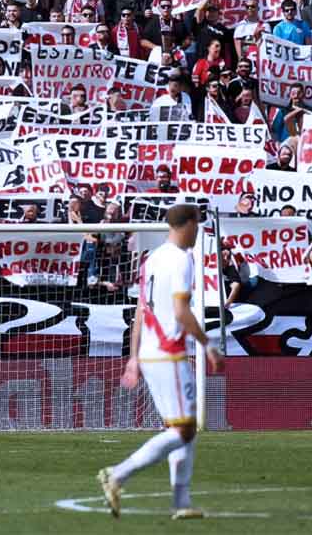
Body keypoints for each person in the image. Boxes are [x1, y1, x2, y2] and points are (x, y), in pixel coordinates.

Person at [97, 204, 223, 519]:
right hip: (170, 353)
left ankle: (181, 503)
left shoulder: (152, 259)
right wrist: (208, 345)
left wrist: (134, 357)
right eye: (197, 224)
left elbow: (142, 309)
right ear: (188, 224)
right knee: (183, 430)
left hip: (152, 352)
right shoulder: (182, 260)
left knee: (182, 427)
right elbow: (181, 312)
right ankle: (118, 474)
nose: (198, 231)